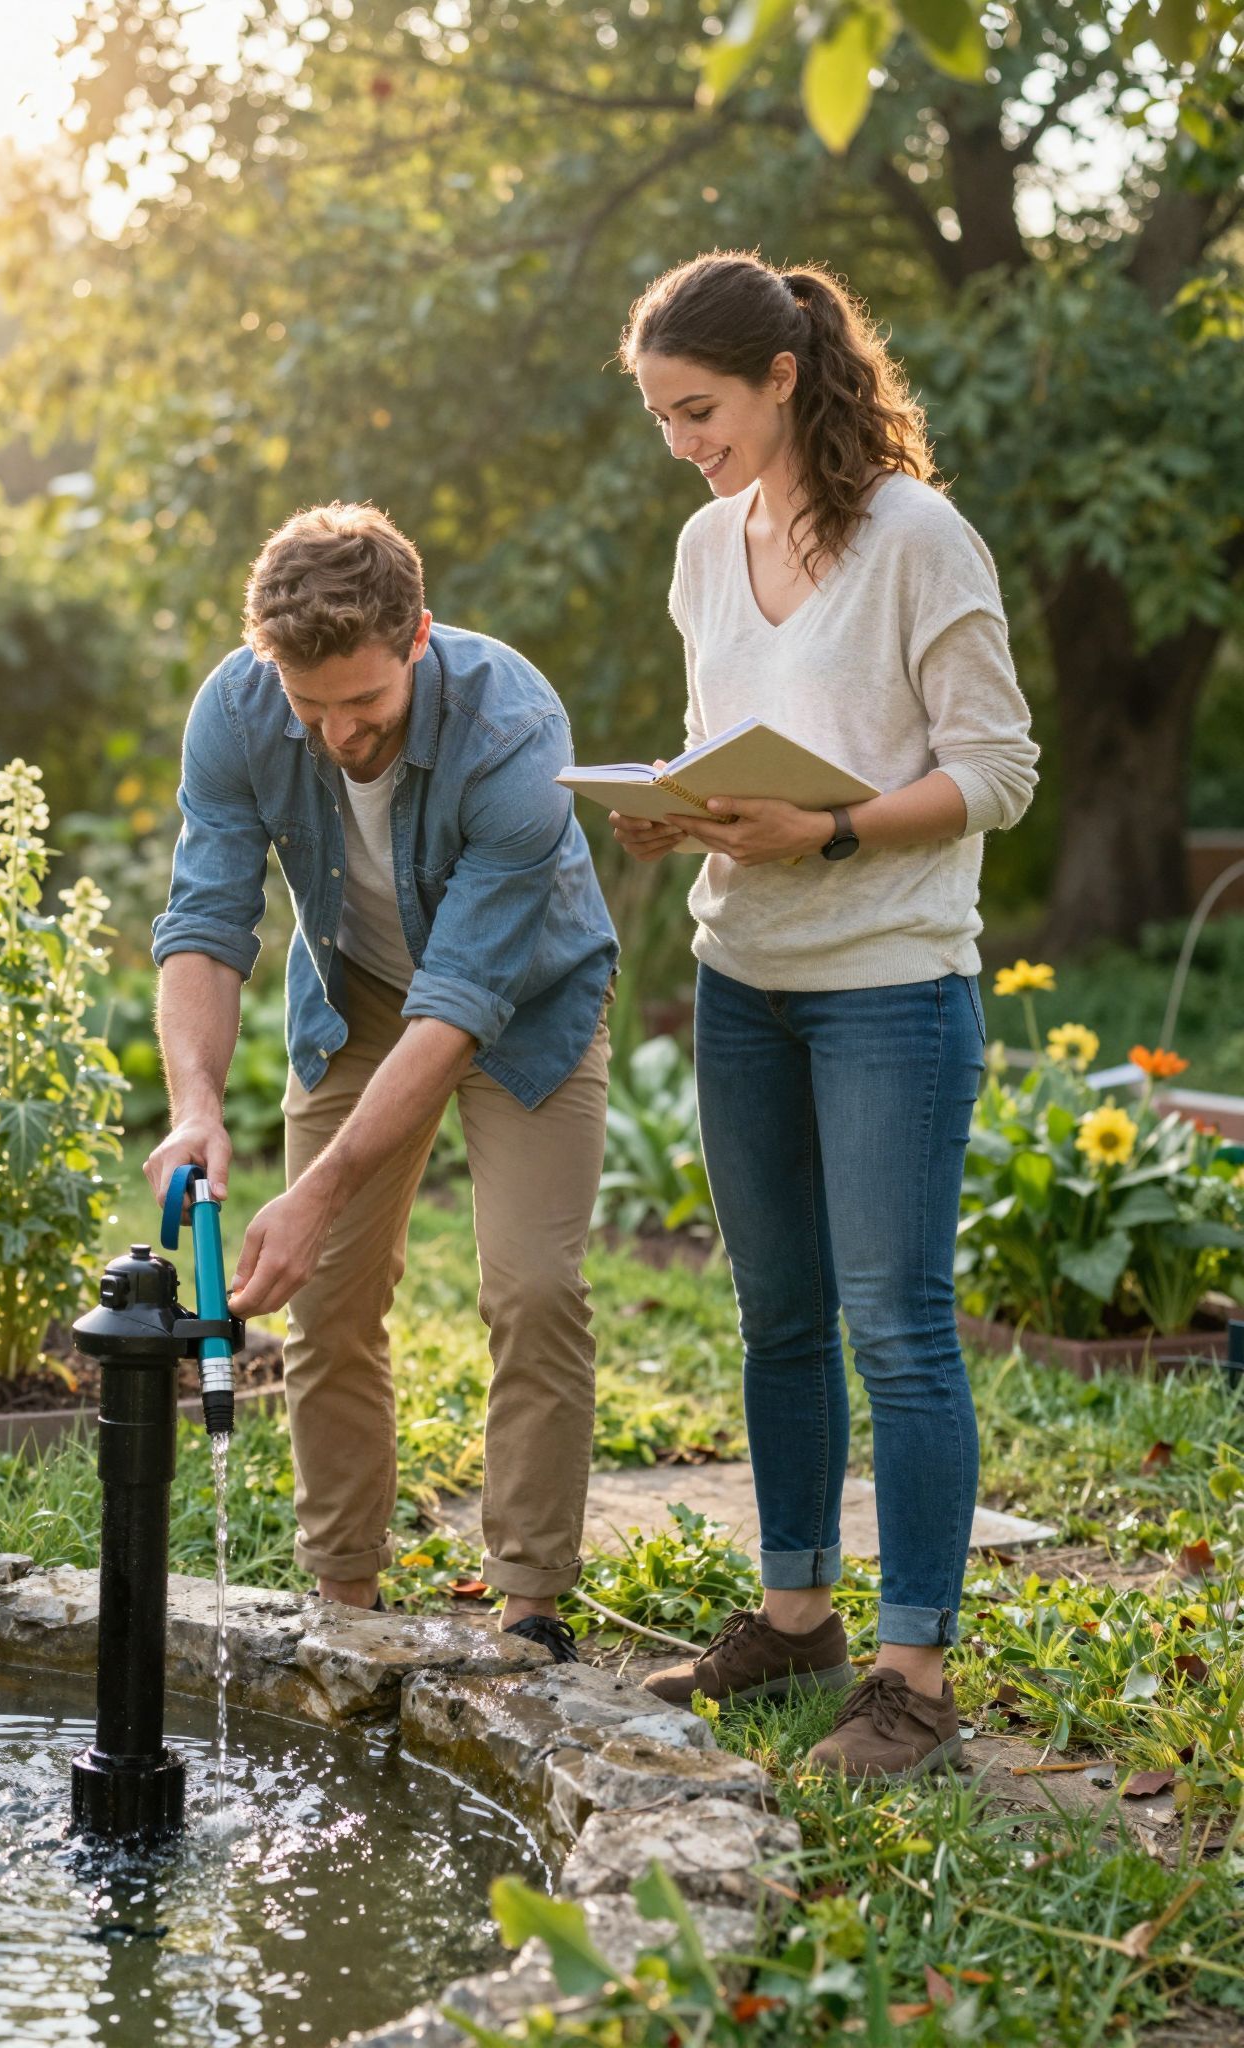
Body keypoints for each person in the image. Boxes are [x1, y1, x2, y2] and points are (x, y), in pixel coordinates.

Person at [614, 253, 1039, 1778]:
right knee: (778, 1317)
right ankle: (797, 1618)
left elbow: (998, 770)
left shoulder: (919, 539)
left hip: (891, 989)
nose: (684, 442)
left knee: (899, 1330)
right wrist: (681, 815)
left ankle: (913, 1678)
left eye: (701, 410)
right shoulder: (702, 549)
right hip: (746, 980)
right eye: (664, 418)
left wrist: (835, 831)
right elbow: (725, 740)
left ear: (783, 376)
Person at [145, 502, 617, 1662]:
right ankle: (345, 1604)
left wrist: (320, 1187)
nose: (341, 731)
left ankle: (529, 1608)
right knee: (329, 1301)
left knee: (534, 1286)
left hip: (527, 1005)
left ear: (418, 637)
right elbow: (205, 919)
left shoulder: (514, 728)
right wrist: (196, 1106)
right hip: (355, 996)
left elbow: (461, 1001)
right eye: (312, 706)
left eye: (364, 701)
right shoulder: (238, 709)